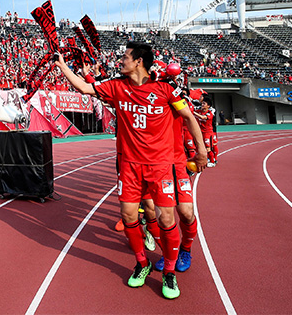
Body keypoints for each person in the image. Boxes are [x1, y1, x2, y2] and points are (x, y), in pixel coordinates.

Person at [55, 41, 207, 300]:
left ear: (138, 61)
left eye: (125, 56)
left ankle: (169, 271)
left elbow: (190, 118)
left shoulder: (165, 90)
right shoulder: (116, 87)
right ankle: (142, 263)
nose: (120, 60)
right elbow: (83, 86)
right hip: (130, 167)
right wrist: (62, 66)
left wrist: (201, 152)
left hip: (162, 167)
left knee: (169, 218)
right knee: (128, 216)